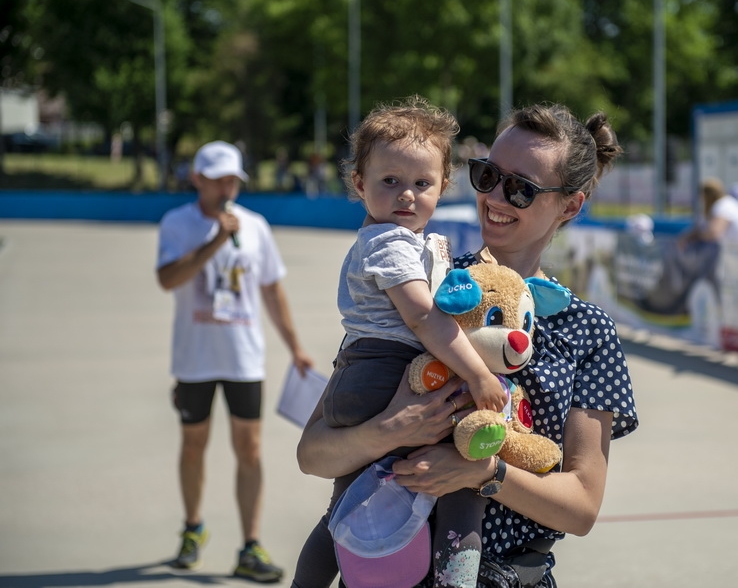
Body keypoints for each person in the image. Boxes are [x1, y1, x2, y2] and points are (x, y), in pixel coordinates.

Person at [292, 103, 639, 588]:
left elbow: (581, 507)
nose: (496, 196)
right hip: (388, 567)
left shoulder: (587, 331)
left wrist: (480, 472)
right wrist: (390, 430)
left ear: (570, 205)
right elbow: (313, 453)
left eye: (521, 188)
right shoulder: (424, 284)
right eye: (487, 175)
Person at [293, 96, 508, 588]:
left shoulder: (402, 240)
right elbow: (423, 318)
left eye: (421, 183)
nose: (406, 195)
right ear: (359, 184)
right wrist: (477, 375)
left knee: (346, 509)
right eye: (390, 181)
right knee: (463, 480)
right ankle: (458, 576)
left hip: (364, 375)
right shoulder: (390, 242)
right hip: (385, 375)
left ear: (442, 187)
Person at [156, 140, 314, 582]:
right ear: (197, 179)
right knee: (193, 445)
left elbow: (271, 290)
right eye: (219, 179)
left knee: (250, 450)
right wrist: (215, 241)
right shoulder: (178, 223)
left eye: (234, 179)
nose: (229, 187)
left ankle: (250, 545)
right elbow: (168, 279)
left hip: (245, 357)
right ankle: (192, 530)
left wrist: (295, 346)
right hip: (195, 359)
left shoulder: (256, 226)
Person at [678, 176, 738, 246]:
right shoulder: (721, 204)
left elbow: (714, 233)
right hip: (736, 249)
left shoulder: (723, 205)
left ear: (707, 195)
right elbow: (701, 227)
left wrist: (695, 238)